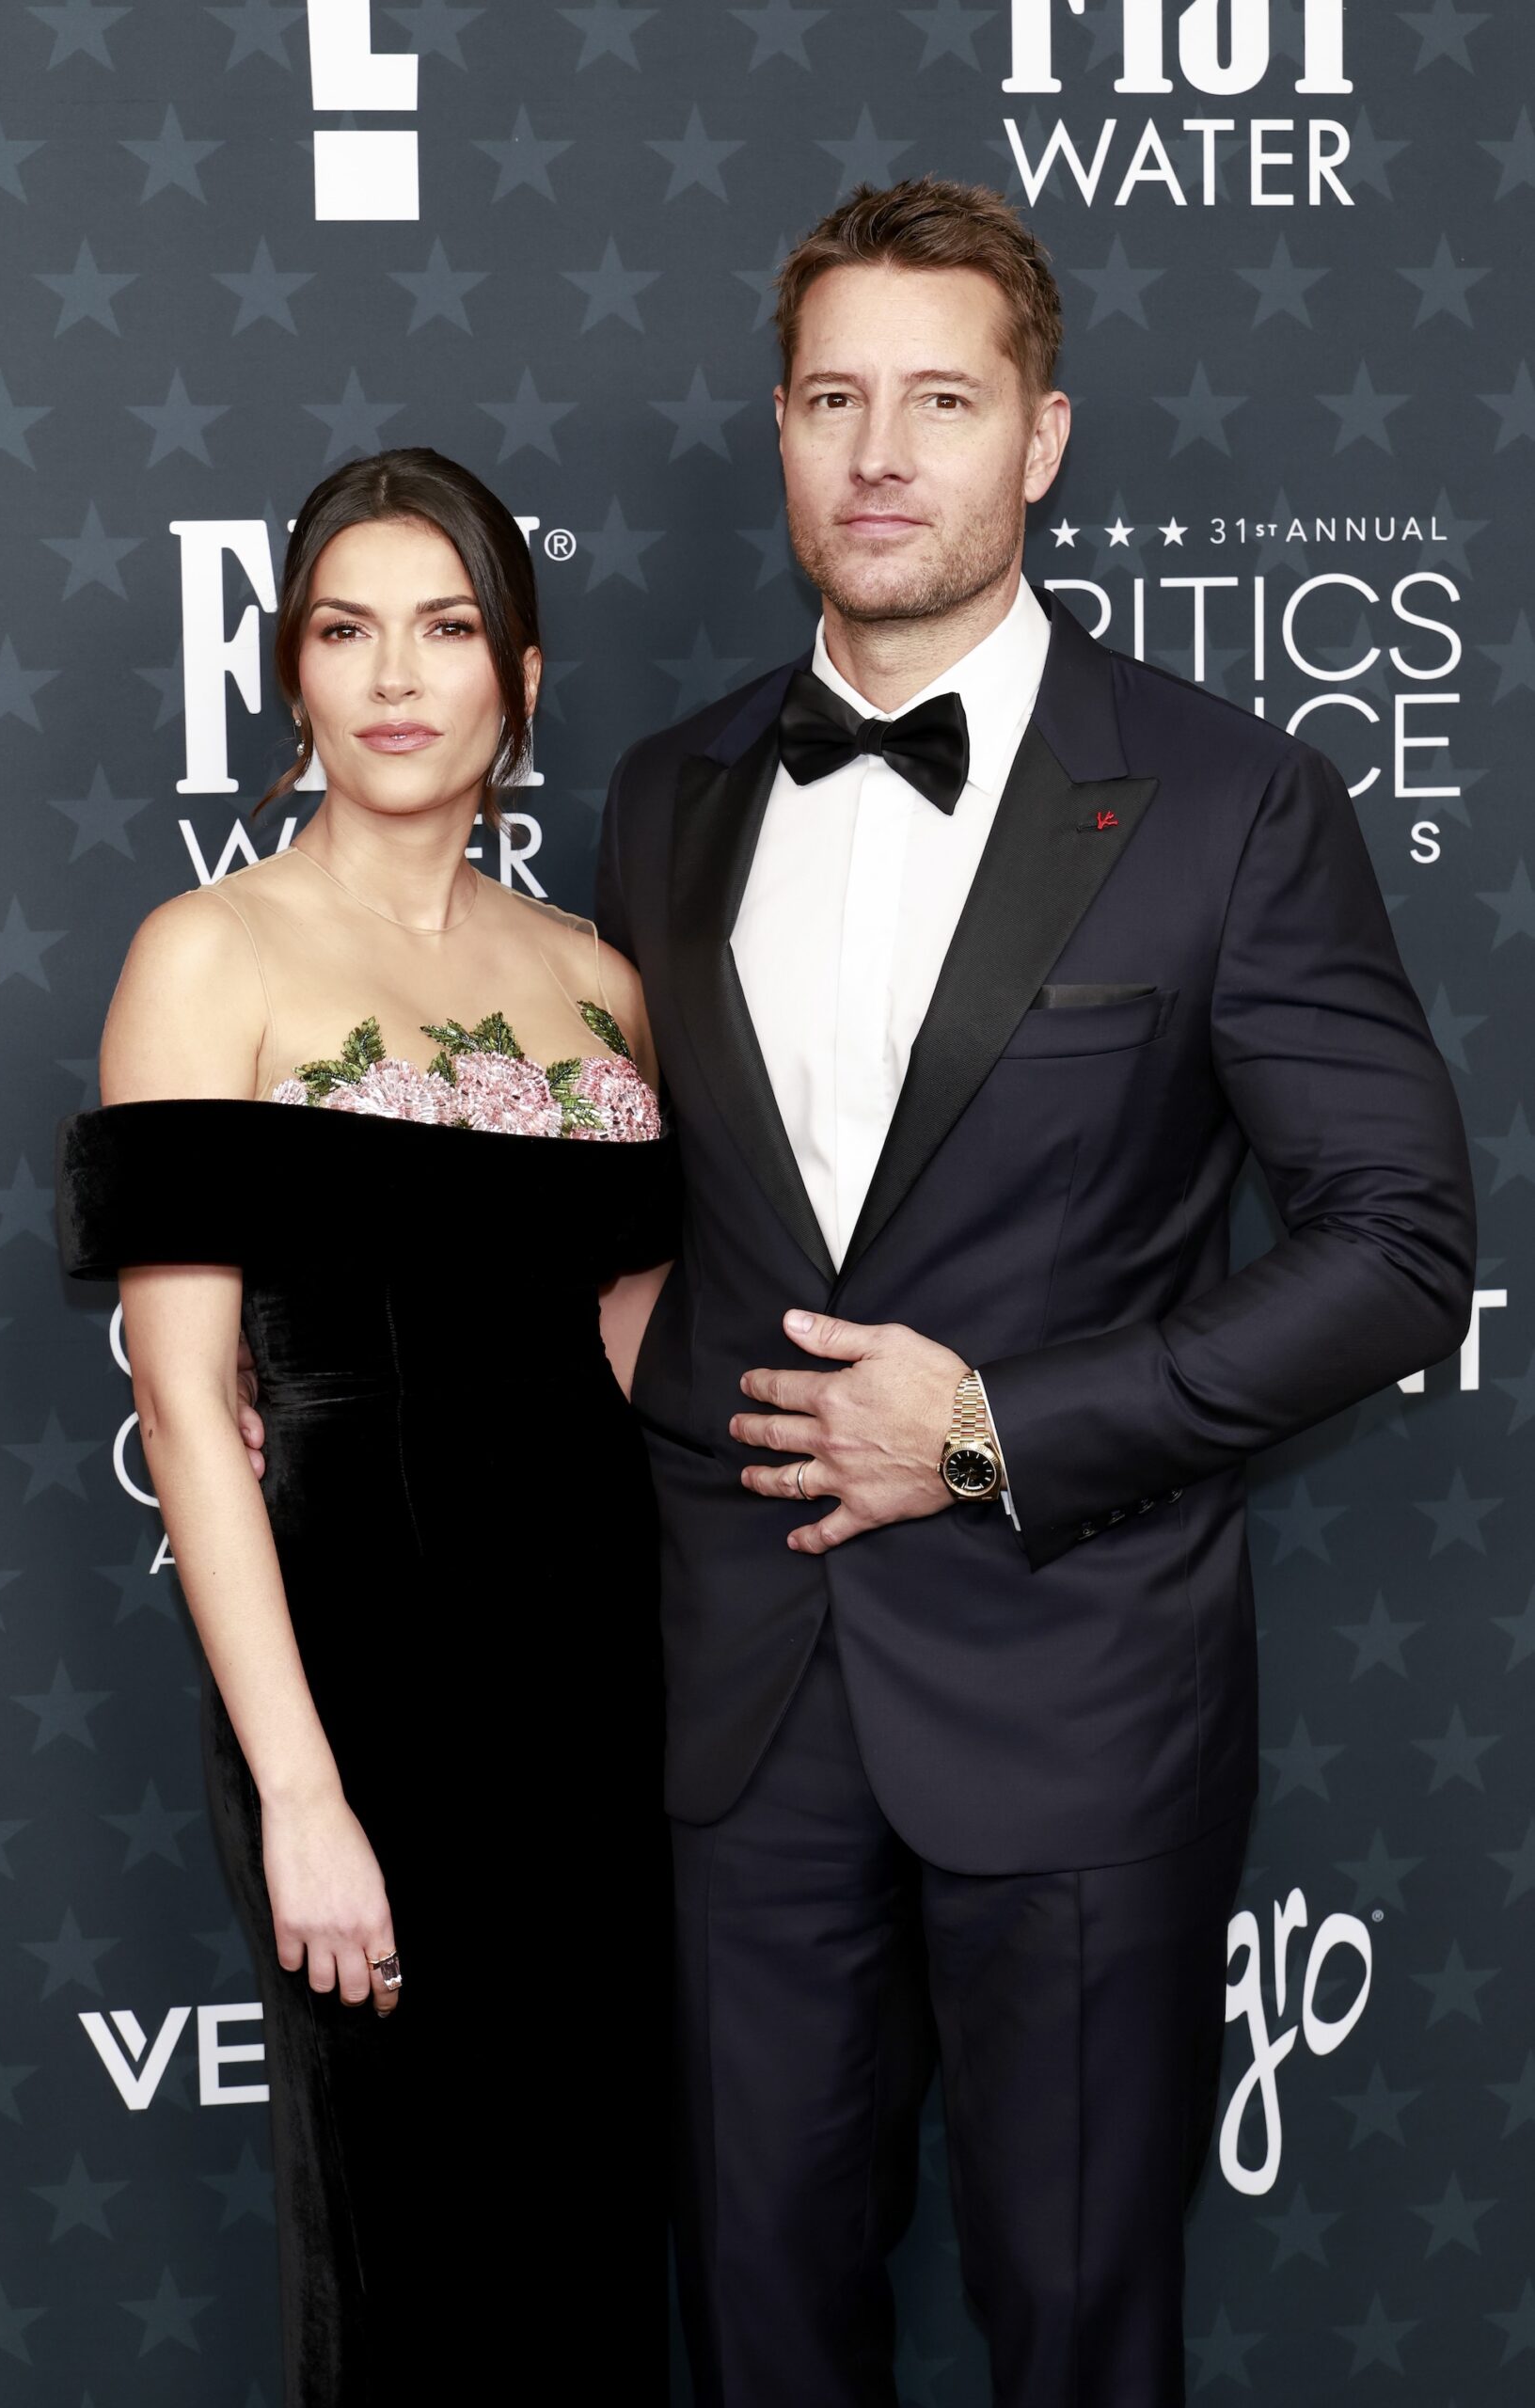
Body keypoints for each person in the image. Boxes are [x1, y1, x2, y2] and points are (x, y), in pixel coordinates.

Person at [594, 180, 1476, 2406]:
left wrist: (995, 1423)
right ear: (777, 435)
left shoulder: (1225, 799)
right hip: (739, 1701)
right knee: (754, 2328)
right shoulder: (666, 795)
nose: (879, 452)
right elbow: (641, 1197)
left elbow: (1395, 1243)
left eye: (940, 400)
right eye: (830, 400)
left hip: (1075, 1688)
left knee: (1079, 2330)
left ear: (1041, 438)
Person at [55, 449, 676, 2405]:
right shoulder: (205, 955)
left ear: (521, 675)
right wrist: (303, 1794)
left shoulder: (596, 986)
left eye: (446, 627)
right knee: (398, 2243)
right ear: (292, 675)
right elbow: (184, 1403)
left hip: (606, 1677)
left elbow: (635, 1347)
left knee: (594, 2228)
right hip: (356, 1679)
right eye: (345, 630)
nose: (396, 676)